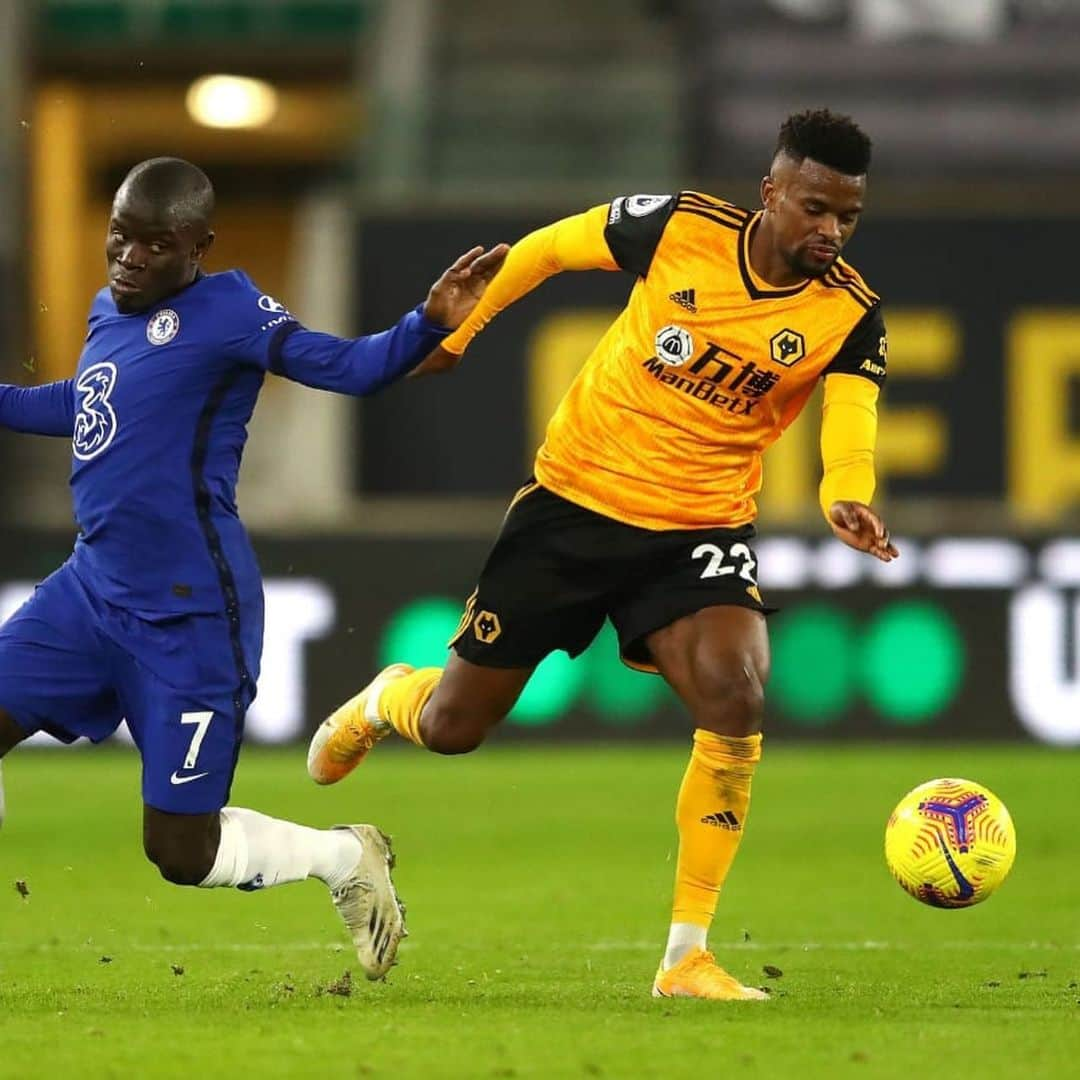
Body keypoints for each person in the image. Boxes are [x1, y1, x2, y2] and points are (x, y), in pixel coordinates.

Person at [308, 108, 898, 999]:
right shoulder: (681, 227)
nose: (830, 231)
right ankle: (391, 697)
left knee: (737, 692)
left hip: (698, 528)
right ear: (771, 193)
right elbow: (546, 250)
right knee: (455, 728)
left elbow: (851, 425)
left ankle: (686, 956)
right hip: (573, 506)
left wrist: (844, 496)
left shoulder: (848, 312)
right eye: (816, 208)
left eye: (847, 217)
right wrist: (456, 335)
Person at [0, 157, 507, 981]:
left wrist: (425, 323)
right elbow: (89, 402)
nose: (128, 258)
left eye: (154, 245)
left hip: (190, 619)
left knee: (180, 851)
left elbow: (351, 367)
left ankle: (343, 858)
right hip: (88, 594)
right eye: (119, 237)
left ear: (199, 244)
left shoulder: (230, 310)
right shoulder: (110, 311)